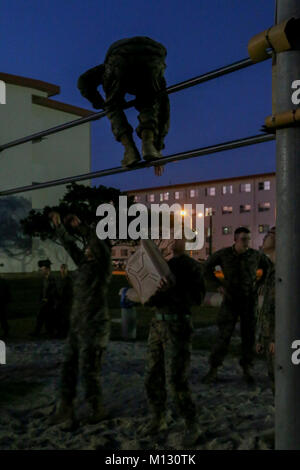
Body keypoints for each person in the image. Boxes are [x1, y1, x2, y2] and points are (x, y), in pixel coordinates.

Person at [136, 234, 206, 447]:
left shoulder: (192, 267)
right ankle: (159, 418)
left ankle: (192, 425)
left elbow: (197, 298)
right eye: (172, 237)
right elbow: (150, 301)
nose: (174, 241)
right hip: (157, 326)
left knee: (176, 381)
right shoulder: (162, 265)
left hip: (178, 326)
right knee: (152, 376)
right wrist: (150, 292)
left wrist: (171, 289)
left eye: (180, 238)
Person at [48, 212, 112, 430]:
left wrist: (81, 226)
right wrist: (60, 227)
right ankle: (65, 408)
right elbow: (69, 246)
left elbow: (97, 242)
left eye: (90, 246)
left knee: (89, 371)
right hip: (77, 327)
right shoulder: (84, 265)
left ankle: (97, 409)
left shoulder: (102, 269)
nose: (85, 248)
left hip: (95, 328)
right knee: (68, 368)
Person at [77, 36, 170, 176]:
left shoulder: (104, 69)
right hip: (154, 60)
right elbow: (164, 110)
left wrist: (101, 103)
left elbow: (83, 81)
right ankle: (148, 143)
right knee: (149, 102)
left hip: (119, 59)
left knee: (113, 105)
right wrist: (158, 147)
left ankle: (129, 149)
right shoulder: (159, 79)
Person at [202, 227, 270, 385]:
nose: (247, 242)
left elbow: (268, 268)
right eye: (243, 239)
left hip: (249, 300)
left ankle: (247, 369)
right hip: (230, 300)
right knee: (223, 336)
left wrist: (261, 283)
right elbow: (206, 268)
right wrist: (217, 285)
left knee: (248, 337)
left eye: (248, 239)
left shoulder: (255, 255)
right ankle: (213, 369)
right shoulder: (224, 254)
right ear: (235, 239)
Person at [256, 227, 276, 395]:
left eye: (270, 234)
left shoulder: (287, 270)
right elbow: (267, 308)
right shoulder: (271, 270)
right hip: (269, 336)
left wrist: (277, 339)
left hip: (281, 339)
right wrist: (261, 336)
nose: (265, 238)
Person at [32, 259, 58, 337]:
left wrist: (47, 298)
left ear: (47, 269)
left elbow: (53, 290)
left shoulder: (51, 278)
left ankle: (47, 332)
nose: (42, 271)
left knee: (46, 317)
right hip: (45, 301)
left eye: (43, 269)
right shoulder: (45, 278)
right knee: (44, 317)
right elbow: (43, 289)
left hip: (49, 302)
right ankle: (42, 332)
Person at [56, 264, 73, 338]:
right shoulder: (59, 279)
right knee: (59, 318)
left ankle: (65, 333)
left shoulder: (69, 279)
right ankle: (60, 332)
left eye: (64, 269)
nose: (63, 270)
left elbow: (70, 291)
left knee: (66, 318)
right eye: (62, 269)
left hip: (66, 302)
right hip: (60, 301)